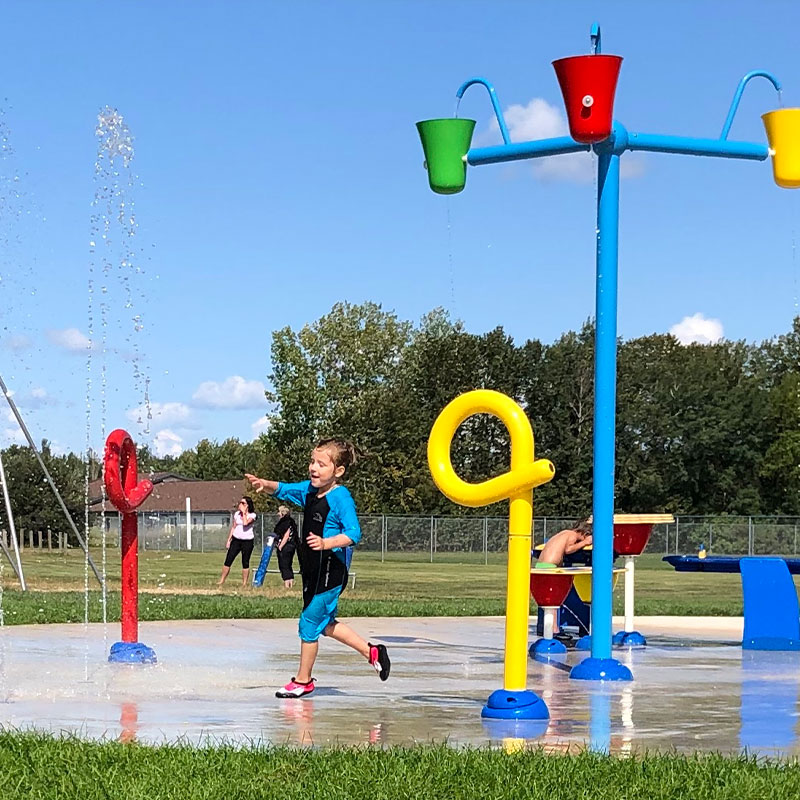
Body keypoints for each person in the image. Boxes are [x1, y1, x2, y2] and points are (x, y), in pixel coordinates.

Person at [245, 437, 390, 698]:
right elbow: (284, 490)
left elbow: (353, 533)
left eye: (322, 464)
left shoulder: (340, 497)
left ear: (338, 471)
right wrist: (264, 485)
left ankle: (303, 681)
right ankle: (372, 652)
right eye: (312, 462)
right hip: (312, 570)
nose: (314, 468)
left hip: (331, 570)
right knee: (325, 624)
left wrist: (326, 543)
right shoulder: (310, 491)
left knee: (309, 622)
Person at [217, 496, 257, 587]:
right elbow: (234, 527)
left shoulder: (252, 515)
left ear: (248, 505)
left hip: (247, 541)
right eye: (240, 503)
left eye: (243, 503)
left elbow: (245, 523)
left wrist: (244, 513)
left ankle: (244, 583)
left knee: (245, 562)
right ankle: (222, 580)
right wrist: (229, 540)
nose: (240, 505)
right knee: (228, 560)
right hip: (236, 540)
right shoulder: (237, 514)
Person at [275, 504, 298, 588]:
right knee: (288, 564)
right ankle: (290, 583)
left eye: (279, 512)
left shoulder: (286, 522)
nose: (278, 514)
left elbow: (286, 535)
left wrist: (280, 546)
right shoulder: (292, 522)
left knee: (284, 565)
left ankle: (287, 584)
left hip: (287, 546)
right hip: (292, 546)